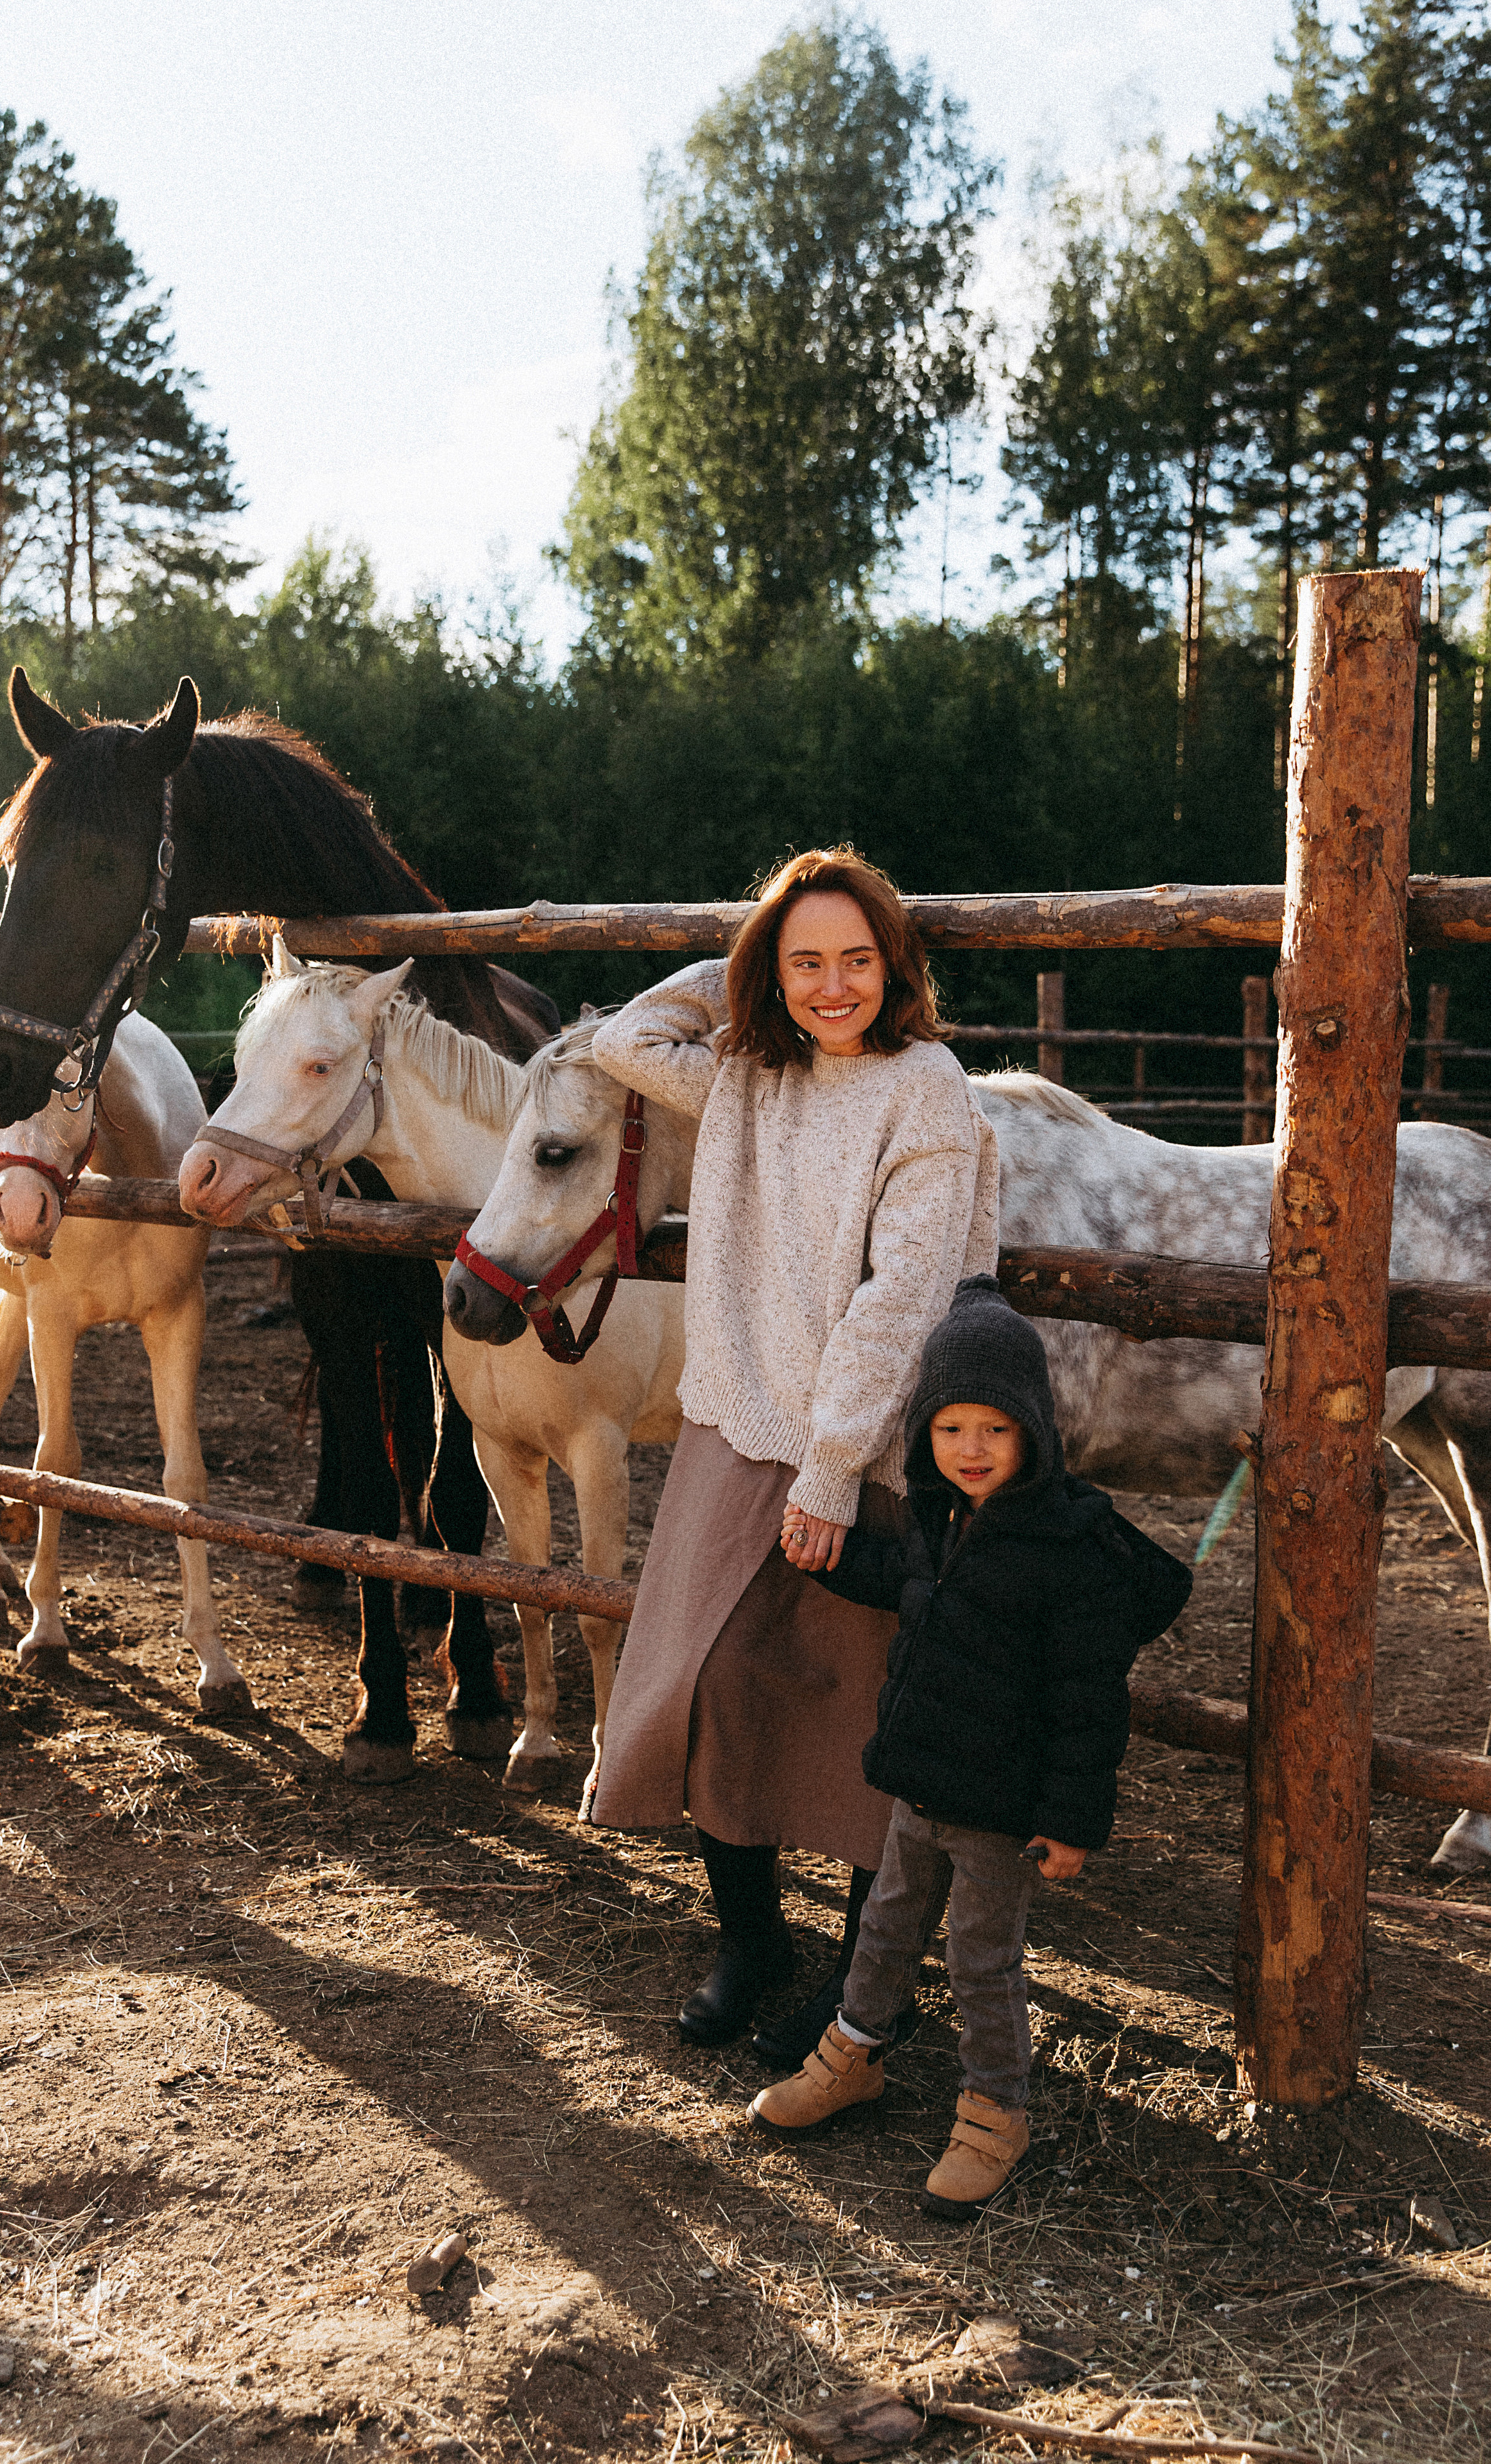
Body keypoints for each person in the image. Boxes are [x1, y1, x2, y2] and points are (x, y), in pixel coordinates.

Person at [588, 847, 1000, 2059]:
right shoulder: (746, 1072)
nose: (834, 988)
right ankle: (751, 1939)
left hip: (864, 1442)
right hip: (734, 1421)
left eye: (857, 961)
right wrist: (739, 973)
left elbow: (905, 1292)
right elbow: (620, 1040)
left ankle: (863, 1979)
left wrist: (830, 1470)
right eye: (805, 962)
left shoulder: (925, 1085)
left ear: (894, 968)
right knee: (712, 1686)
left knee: (863, 1715)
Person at [745, 1274, 1192, 2218]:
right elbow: (909, 1592)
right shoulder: (941, 1521)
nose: (972, 1449)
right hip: (920, 1784)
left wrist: (1071, 1821)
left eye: (993, 1428)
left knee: (982, 1960)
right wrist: (829, 1559)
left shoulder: (1065, 1549)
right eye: (951, 1429)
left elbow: (1086, 1702)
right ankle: (852, 2056)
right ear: (925, 1435)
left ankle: (996, 2111)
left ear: (1034, 1425)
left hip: (999, 1806)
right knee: (884, 1925)